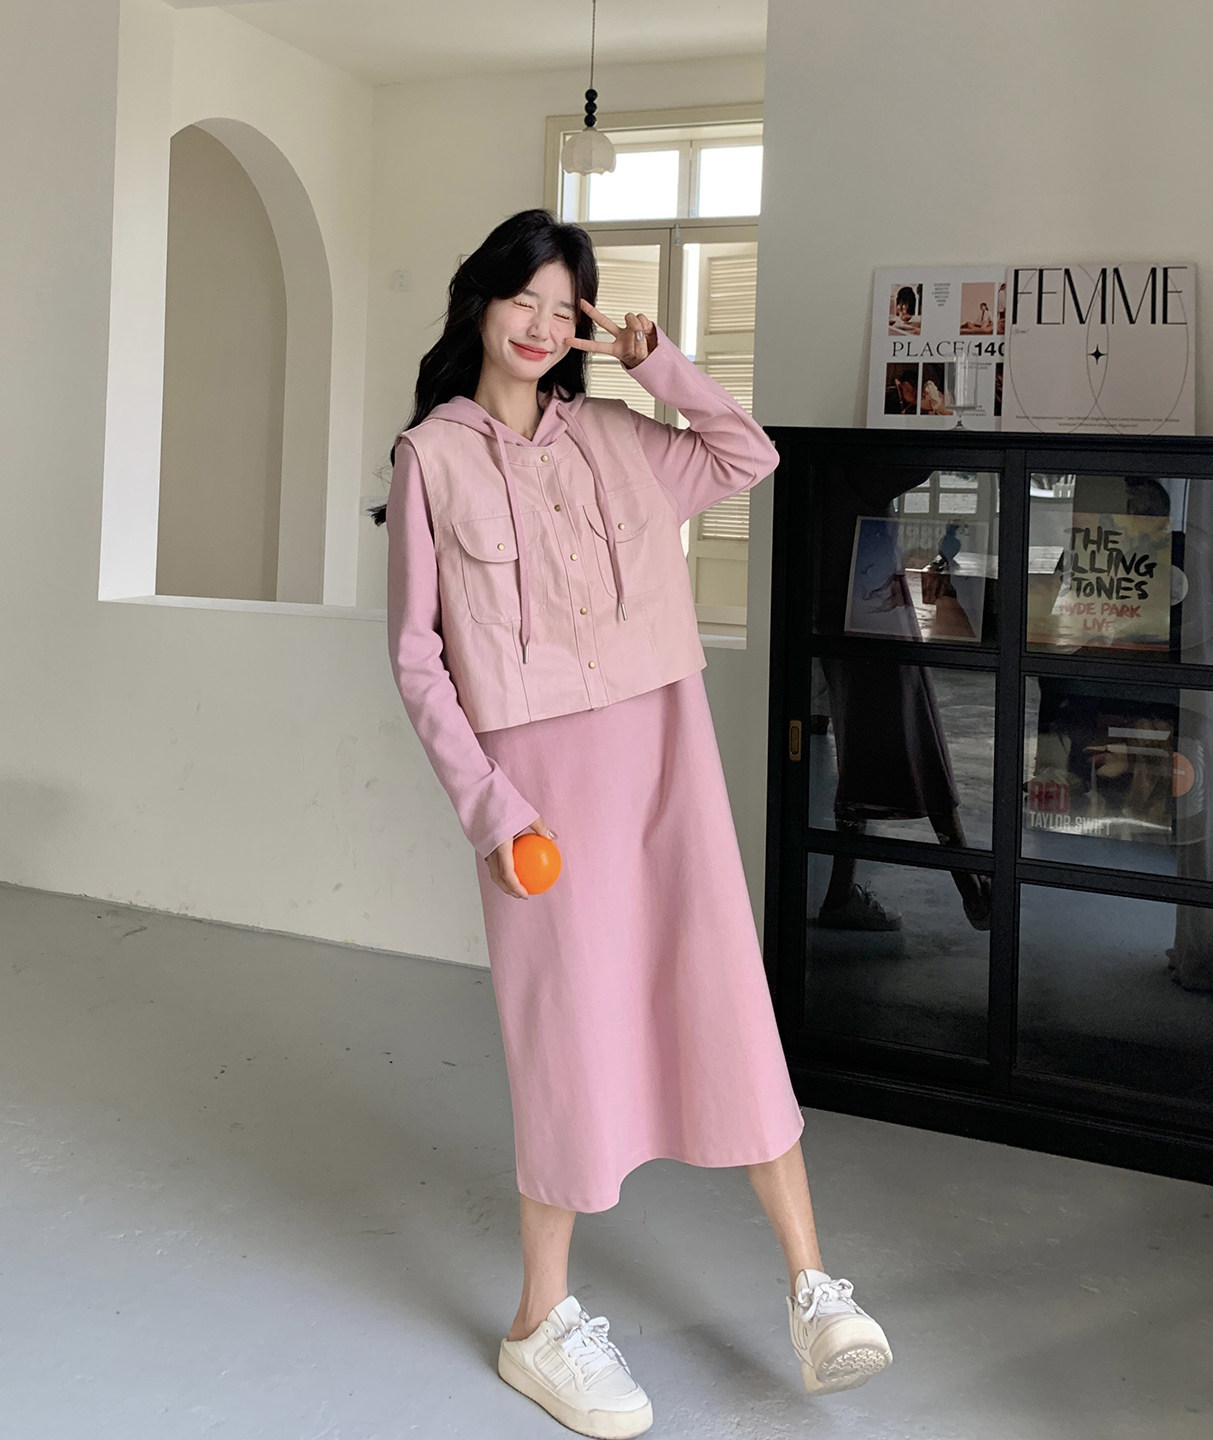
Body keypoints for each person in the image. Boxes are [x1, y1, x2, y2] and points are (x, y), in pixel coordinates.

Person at [379, 209, 892, 1437]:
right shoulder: (430, 458)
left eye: (565, 309)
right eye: (525, 299)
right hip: (539, 795)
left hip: (665, 762)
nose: (541, 325)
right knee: (566, 1035)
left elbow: (747, 453)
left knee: (722, 998)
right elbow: (415, 658)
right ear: (480, 302)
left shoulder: (619, 434)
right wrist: (491, 809)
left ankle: (813, 1289)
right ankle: (539, 1323)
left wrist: (654, 361)